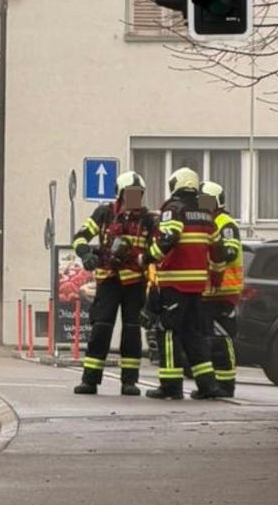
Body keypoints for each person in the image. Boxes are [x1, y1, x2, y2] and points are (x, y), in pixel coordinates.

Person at [71, 171, 156, 396]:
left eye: (138, 194)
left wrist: (144, 259)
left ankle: (129, 382)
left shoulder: (148, 220)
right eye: (130, 194)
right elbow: (80, 237)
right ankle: (90, 380)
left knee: (132, 331)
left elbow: (156, 249)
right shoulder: (104, 213)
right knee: (101, 328)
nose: (135, 198)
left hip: (135, 282)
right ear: (120, 194)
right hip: (109, 279)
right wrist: (86, 254)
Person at [145, 167, 225, 400]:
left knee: (168, 332)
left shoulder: (173, 209)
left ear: (176, 185)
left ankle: (171, 386)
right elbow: (218, 250)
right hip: (197, 286)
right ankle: (208, 386)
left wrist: (148, 257)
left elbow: (169, 238)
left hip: (174, 284)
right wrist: (216, 276)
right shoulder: (206, 213)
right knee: (194, 335)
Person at [200, 180, 244, 397]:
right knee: (205, 341)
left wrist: (209, 252)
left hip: (224, 292)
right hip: (207, 293)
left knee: (222, 340)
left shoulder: (225, 224)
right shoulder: (203, 224)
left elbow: (230, 253)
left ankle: (226, 385)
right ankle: (210, 386)